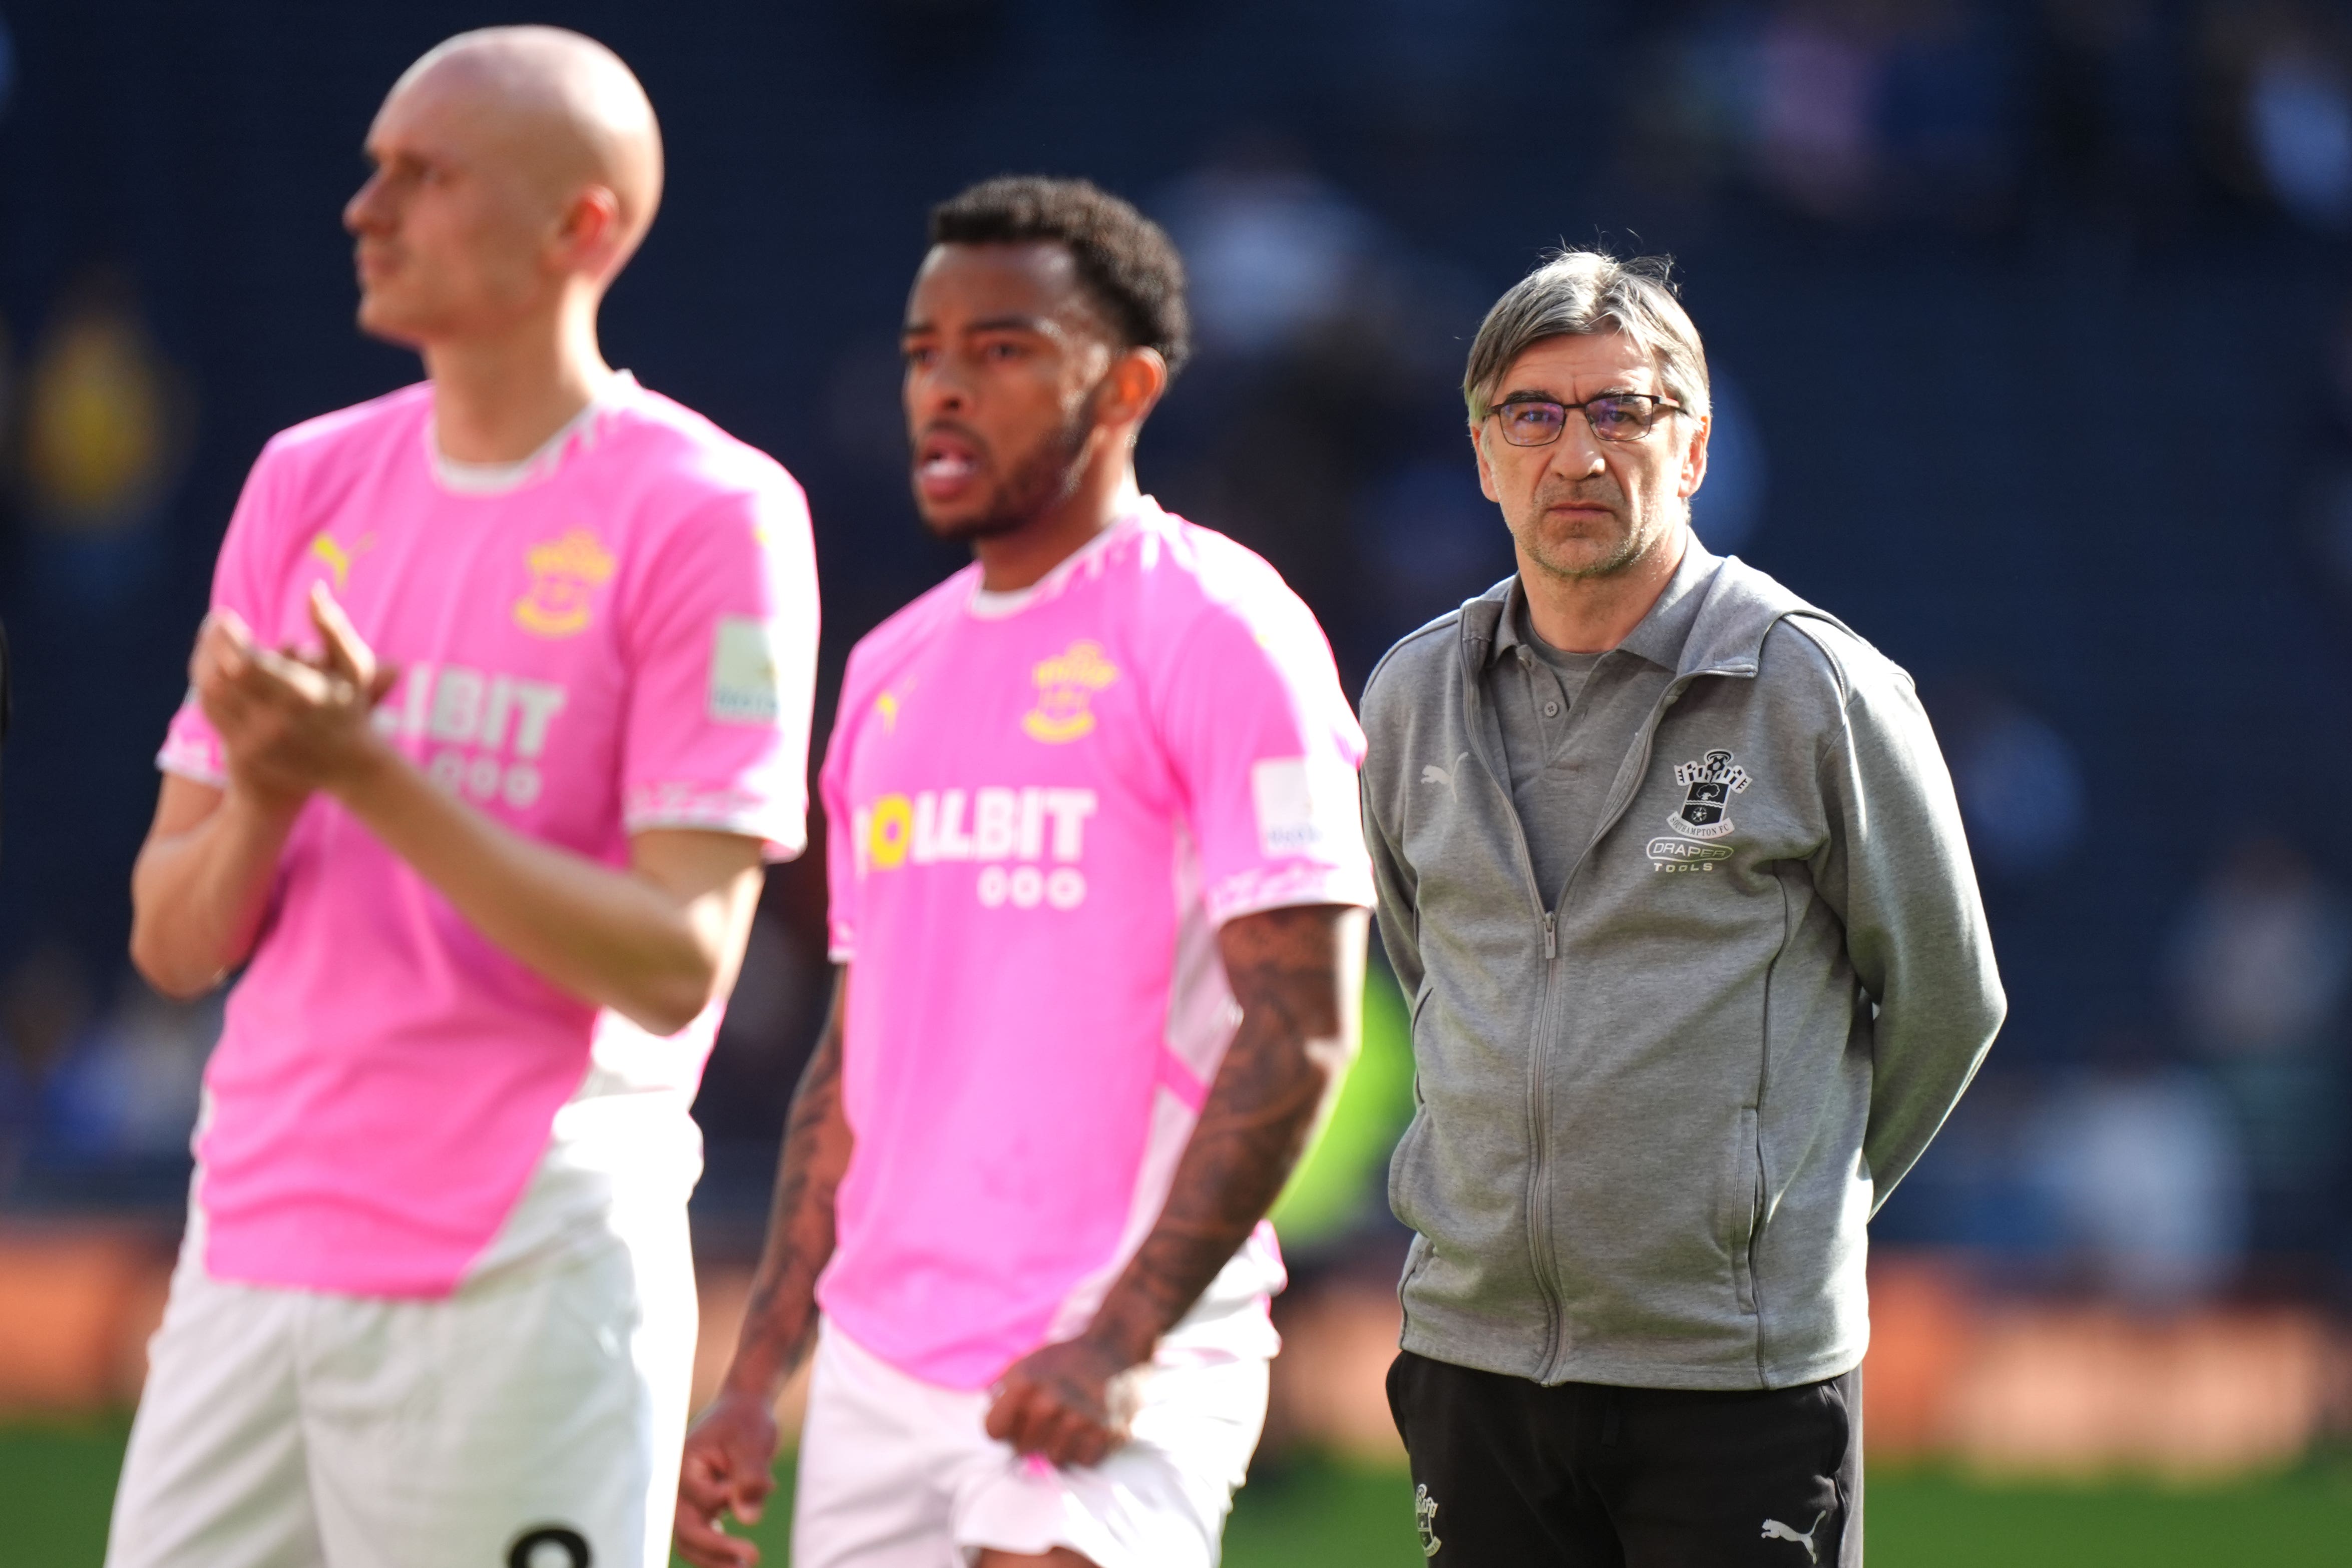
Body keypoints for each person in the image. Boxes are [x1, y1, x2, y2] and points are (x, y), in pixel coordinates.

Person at [108, 28, 819, 1568]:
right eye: (372, 170)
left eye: (423, 176)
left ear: (584, 228)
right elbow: (174, 940)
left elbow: (676, 954)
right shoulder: (304, 480)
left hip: (525, 1258)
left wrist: (368, 771)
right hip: (254, 1236)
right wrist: (273, 794)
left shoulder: (712, 511)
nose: (365, 208)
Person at [674, 176, 1373, 1568]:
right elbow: (857, 1058)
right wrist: (759, 1374)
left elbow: (1300, 1022)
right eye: (922, 352)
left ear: (1122, 388)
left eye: (999, 350)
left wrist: (1120, 1338)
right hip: (878, 1367)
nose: (942, 388)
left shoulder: (1222, 626)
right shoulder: (888, 672)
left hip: (1107, 1346)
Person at [1359, 250, 2004, 1566]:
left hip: (1736, 1378)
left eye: (1621, 410)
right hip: (1474, 1361)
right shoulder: (1407, 695)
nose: (1576, 451)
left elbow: (1946, 996)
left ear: (1693, 445)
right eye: (1533, 414)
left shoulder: (1814, 686)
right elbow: (1426, 966)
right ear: (1483, 455)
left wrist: (1776, 1209)